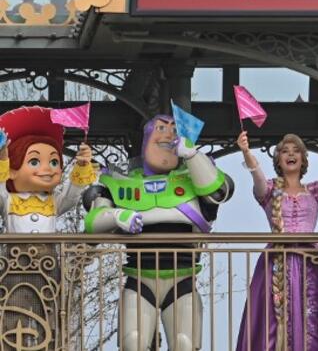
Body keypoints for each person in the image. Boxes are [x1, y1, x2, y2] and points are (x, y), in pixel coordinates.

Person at [83, 114, 234, 351]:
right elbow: (93, 224)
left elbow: (218, 191)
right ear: (145, 139)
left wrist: (193, 155)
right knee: (133, 342)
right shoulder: (118, 184)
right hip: (140, 279)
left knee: (185, 344)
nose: (169, 134)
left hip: (182, 280)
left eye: (175, 129)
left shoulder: (196, 180)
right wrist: (117, 216)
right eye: (161, 127)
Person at [234, 124, 318, 350]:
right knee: (271, 318)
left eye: (296, 150)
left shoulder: (315, 192)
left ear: (303, 159)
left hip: (312, 263)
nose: (290, 154)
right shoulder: (269, 191)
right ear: (278, 160)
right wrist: (246, 152)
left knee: (314, 317)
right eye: (285, 150)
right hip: (275, 264)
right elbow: (257, 179)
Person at [0, 105, 96, 350]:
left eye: (54, 161)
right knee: (14, 315)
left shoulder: (53, 201)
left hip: (48, 264)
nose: (48, 168)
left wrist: (83, 165)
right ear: (13, 169)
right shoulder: (9, 200)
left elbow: (73, 195)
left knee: (50, 314)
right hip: (14, 266)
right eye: (35, 161)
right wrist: (2, 155)